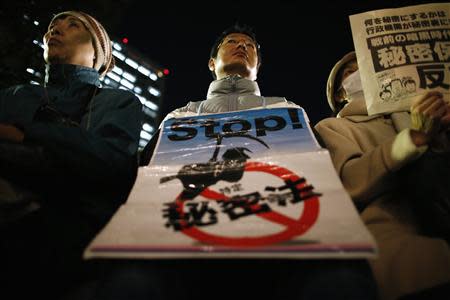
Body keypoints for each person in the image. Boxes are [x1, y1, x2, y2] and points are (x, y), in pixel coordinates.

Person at [92, 24, 378, 300]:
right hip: (185, 238)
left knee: (340, 278)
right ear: (211, 62)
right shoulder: (179, 116)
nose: (242, 46)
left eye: (249, 46)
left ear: (258, 66)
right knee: (131, 280)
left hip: (280, 239)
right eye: (232, 42)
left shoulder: (288, 109)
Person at [0, 11, 143, 299]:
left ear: (97, 54)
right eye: (52, 27)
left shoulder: (118, 102)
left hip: (68, 236)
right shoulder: (14, 95)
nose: (55, 30)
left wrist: (26, 134)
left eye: (72, 25)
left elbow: (112, 161)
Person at [314, 51, 450, 300]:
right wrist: (412, 139)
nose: (359, 72)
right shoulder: (334, 126)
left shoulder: (419, 111)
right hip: (397, 237)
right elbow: (351, 181)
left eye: (364, 66)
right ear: (339, 94)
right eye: (349, 71)